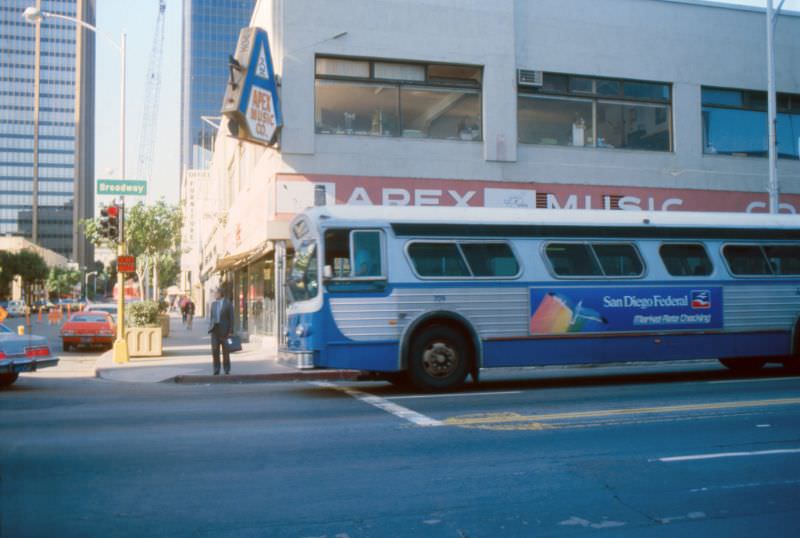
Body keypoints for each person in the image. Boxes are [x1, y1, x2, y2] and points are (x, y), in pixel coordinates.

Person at [208, 287, 234, 375]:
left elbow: (231, 318)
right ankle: (216, 369)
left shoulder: (228, 304)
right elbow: (212, 317)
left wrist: (230, 331)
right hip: (215, 330)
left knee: (225, 352)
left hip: (225, 331)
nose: (214, 295)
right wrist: (210, 327)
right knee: (215, 351)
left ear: (220, 293)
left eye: (216, 293)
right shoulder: (213, 304)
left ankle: (226, 369)